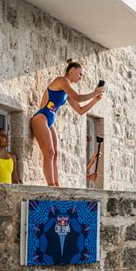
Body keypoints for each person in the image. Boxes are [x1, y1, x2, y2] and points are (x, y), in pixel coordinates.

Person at [31, 59, 104, 187]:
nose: (80, 78)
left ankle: (56, 185)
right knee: (49, 153)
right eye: (80, 74)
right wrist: (94, 92)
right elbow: (78, 97)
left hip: (50, 120)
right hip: (41, 117)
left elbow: (80, 110)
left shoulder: (66, 91)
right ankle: (51, 185)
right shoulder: (61, 80)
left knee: (55, 155)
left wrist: (95, 100)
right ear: (72, 70)